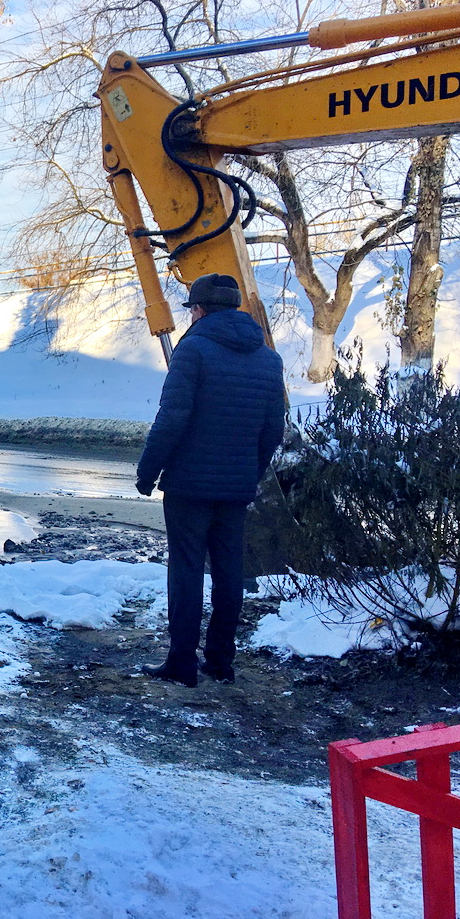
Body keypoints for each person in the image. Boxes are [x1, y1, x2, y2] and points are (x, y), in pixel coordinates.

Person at [135, 273, 286, 687]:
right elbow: (273, 430)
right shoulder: (269, 359)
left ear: (198, 310)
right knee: (228, 570)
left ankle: (182, 663)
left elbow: (171, 419)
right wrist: (248, 474)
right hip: (235, 486)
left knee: (185, 569)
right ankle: (220, 661)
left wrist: (148, 472)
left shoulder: (194, 350)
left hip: (188, 484)